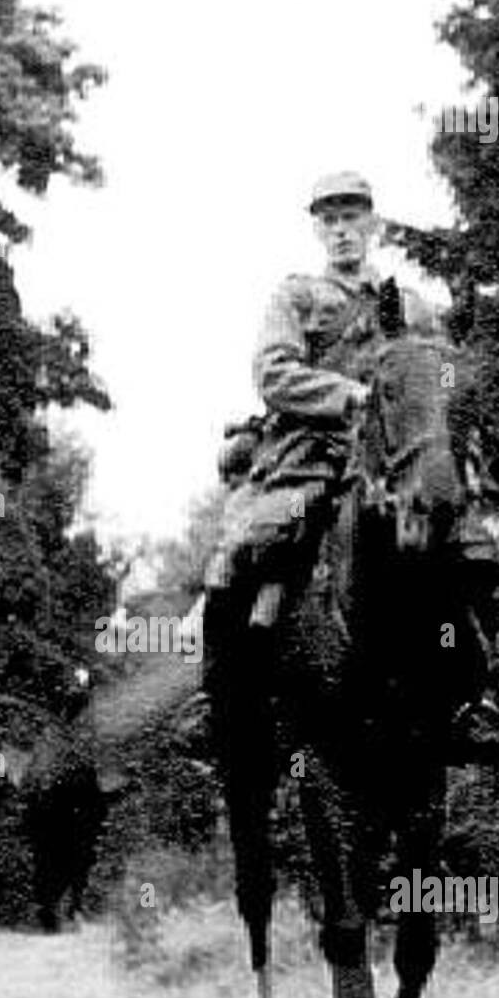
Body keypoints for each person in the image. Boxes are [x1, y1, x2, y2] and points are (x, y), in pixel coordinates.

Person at [202, 171, 435, 678]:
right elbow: (273, 372)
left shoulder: (410, 305)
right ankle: (216, 693)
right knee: (258, 541)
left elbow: (441, 371)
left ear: (371, 223)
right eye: (330, 221)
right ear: (317, 230)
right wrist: (346, 396)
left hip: (398, 453)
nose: (341, 231)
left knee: (465, 541)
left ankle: (475, 697)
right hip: (311, 449)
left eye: (351, 218)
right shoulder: (299, 296)